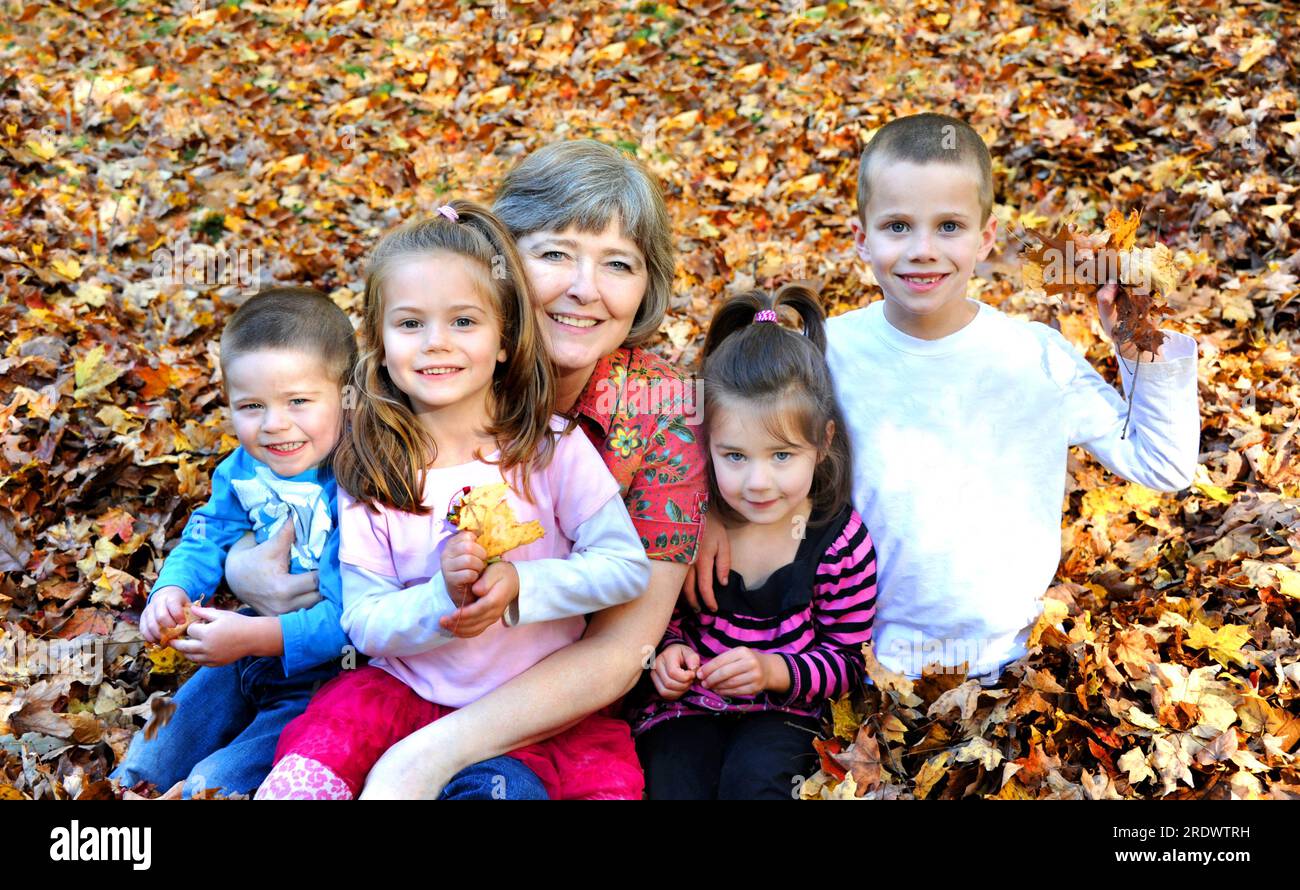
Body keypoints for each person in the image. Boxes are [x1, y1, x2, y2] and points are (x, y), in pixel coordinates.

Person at [226, 141, 710, 798]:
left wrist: (424, 756)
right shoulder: (408, 386)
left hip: (546, 705)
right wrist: (237, 560)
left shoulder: (658, 413)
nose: (584, 288)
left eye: (618, 263)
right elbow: (269, 466)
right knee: (231, 765)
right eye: (556, 254)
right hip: (375, 668)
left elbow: (621, 642)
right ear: (499, 261)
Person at [689, 112, 1200, 683]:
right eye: (898, 226)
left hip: (1008, 666)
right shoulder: (828, 352)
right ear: (862, 238)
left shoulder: (1035, 357)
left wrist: (1138, 344)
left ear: (986, 237)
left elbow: (1163, 464)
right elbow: (730, 435)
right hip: (855, 660)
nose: (923, 250)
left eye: (950, 226)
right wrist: (706, 512)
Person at [633, 286, 877, 799]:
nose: (758, 482)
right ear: (707, 446)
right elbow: (656, 616)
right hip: (688, 706)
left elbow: (849, 659)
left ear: (823, 442)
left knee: (757, 782)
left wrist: (773, 670)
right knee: (672, 781)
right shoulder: (688, 523)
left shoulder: (838, 544)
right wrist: (668, 653)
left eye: (782, 456)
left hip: (784, 710)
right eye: (736, 457)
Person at [112, 287, 356, 797]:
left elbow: (352, 619)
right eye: (251, 405)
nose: (274, 424)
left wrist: (254, 637)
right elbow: (206, 534)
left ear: (347, 395)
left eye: (298, 401)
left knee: (216, 782)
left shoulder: (357, 484)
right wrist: (171, 590)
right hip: (241, 649)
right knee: (149, 757)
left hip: (330, 674)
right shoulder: (240, 470)